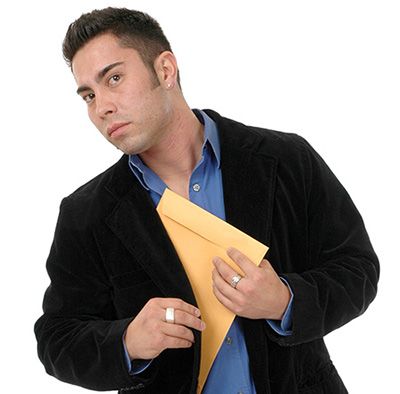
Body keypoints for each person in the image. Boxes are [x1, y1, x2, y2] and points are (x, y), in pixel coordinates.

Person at [34, 7, 379, 394]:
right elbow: (57, 339)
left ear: (165, 70)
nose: (102, 107)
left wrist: (284, 300)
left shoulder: (285, 159)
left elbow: (357, 268)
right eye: (88, 95)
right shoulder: (86, 213)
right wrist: (128, 341)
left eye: (114, 78)